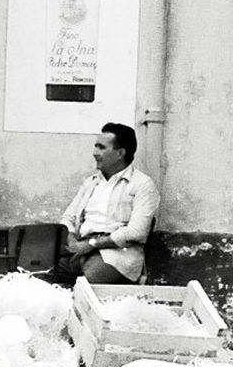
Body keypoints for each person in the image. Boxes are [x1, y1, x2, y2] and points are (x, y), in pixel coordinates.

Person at [57, 122, 159, 284]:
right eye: (95, 147)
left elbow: (137, 231)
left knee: (87, 282)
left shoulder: (142, 184)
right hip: (80, 249)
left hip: (117, 255)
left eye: (101, 148)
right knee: (41, 276)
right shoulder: (91, 182)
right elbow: (68, 218)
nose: (94, 153)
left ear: (120, 153)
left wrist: (93, 244)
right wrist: (72, 240)